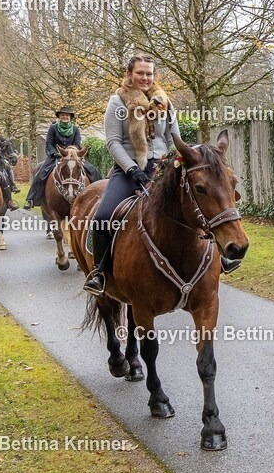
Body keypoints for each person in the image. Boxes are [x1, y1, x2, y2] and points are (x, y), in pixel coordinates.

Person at [83, 55, 180, 295]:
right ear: (129, 74)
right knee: (103, 216)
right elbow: (113, 142)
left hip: (161, 169)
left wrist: (172, 162)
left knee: (196, 204)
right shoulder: (117, 102)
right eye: (140, 73)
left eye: (149, 73)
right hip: (128, 171)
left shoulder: (165, 102)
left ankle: (218, 259)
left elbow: (173, 138)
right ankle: (99, 272)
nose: (145, 78)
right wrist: (132, 169)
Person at [25, 106, 101, 209]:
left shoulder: (75, 129)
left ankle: (100, 197)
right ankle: (31, 199)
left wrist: (72, 152)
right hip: (56, 156)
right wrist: (56, 153)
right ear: (59, 117)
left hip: (73, 156)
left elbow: (77, 144)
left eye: (67, 115)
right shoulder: (53, 128)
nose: (65, 117)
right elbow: (49, 143)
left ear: (70, 117)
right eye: (63, 115)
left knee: (93, 170)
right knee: (41, 173)